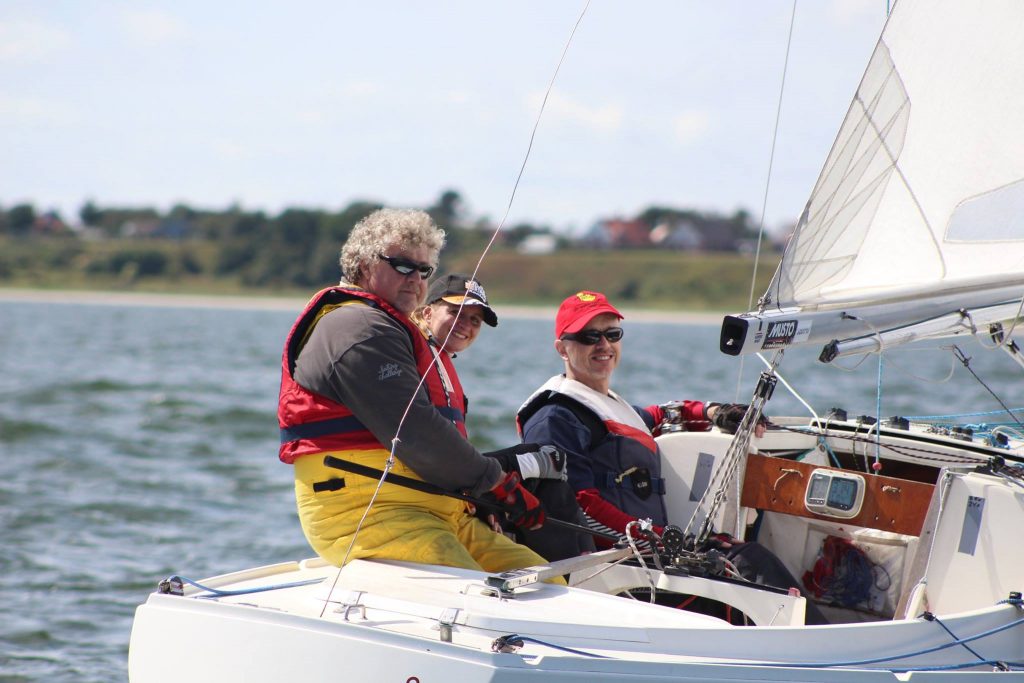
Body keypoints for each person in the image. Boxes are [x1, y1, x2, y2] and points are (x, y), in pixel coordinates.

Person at [517, 290, 828, 624]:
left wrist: (712, 411)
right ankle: (817, 644)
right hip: (617, 569)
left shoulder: (605, 405)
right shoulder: (555, 416)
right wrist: (662, 540)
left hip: (650, 551)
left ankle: (813, 639)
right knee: (747, 562)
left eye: (612, 334)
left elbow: (659, 414)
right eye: (589, 337)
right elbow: (578, 506)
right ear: (562, 348)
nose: (603, 345)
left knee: (745, 554)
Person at [277, 208, 560, 574]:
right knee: (475, 591)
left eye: (424, 270)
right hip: (370, 513)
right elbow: (413, 429)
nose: (416, 279)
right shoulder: (358, 328)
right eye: (403, 266)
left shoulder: (392, 329)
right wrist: (494, 483)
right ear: (364, 265)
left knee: (545, 582)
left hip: (436, 511)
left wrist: (474, 498)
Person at [415, 273, 595, 561]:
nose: (466, 325)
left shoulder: (441, 361)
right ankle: (577, 567)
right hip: (431, 492)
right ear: (427, 312)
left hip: (455, 483)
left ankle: (578, 564)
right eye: (456, 312)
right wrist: (492, 487)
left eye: (475, 320)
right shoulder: (416, 355)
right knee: (547, 462)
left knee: (549, 466)